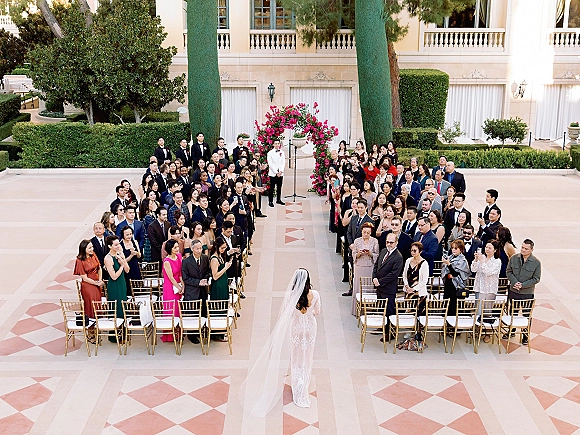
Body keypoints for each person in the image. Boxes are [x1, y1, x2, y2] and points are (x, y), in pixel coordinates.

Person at [240, 268, 320, 416]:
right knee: (307, 356)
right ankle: (304, 383)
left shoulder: (291, 296)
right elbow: (317, 312)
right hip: (310, 329)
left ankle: (298, 385)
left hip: (296, 329)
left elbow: (286, 314)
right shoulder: (315, 294)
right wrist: (309, 313)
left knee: (295, 358)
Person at [504, 239, 541, 345]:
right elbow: (509, 271)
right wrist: (515, 282)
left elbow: (536, 278)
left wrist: (523, 285)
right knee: (513, 312)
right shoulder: (514, 258)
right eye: (522, 247)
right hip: (514, 291)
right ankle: (511, 330)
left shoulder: (536, 263)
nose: (523, 250)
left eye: (526, 249)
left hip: (527, 293)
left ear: (531, 250)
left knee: (526, 314)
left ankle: (525, 335)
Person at [373, 232, 404, 341]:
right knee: (381, 309)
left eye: (391, 242)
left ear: (396, 243)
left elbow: (394, 274)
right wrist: (374, 277)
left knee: (389, 312)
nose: (389, 244)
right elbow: (376, 265)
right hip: (379, 287)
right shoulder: (383, 251)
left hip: (388, 289)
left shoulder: (398, 257)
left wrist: (380, 281)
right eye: (387, 242)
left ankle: (389, 333)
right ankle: (382, 327)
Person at [181, 239, 210, 344]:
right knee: (192, 312)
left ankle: (201, 330)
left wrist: (205, 279)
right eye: (197, 248)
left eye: (201, 248)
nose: (199, 250)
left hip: (202, 291)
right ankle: (192, 334)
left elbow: (208, 271)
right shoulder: (186, 261)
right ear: (192, 249)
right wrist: (198, 282)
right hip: (192, 291)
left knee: (202, 310)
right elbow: (185, 277)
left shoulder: (205, 258)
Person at [471, 240, 502, 333]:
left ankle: (487, 332)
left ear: (495, 250)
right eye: (486, 247)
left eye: (490, 248)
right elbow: (473, 269)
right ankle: (477, 330)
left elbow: (488, 272)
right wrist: (476, 260)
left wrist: (482, 262)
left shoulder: (497, 261)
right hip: (479, 287)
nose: (487, 249)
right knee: (478, 310)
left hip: (489, 289)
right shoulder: (482, 257)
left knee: (487, 311)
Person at [104, 235, 129, 342]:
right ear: (110, 246)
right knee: (116, 308)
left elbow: (128, 270)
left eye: (119, 243)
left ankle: (124, 332)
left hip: (122, 283)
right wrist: (122, 266)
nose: (118, 246)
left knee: (123, 307)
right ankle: (115, 336)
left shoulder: (120, 254)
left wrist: (123, 261)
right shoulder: (108, 258)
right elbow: (113, 276)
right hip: (114, 286)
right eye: (116, 245)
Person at [351, 223, 379, 315]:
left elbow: (377, 255)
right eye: (364, 232)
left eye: (368, 232)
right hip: (359, 266)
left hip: (369, 266)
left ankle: (368, 310)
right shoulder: (357, 241)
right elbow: (353, 254)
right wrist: (359, 254)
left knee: (368, 286)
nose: (366, 234)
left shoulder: (374, 241)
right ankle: (357, 310)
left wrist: (370, 253)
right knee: (358, 286)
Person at [74, 240, 104, 325]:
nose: (92, 249)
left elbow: (99, 268)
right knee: (90, 305)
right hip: (88, 286)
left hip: (96, 282)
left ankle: (98, 324)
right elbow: (84, 277)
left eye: (92, 247)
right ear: (84, 248)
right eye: (90, 247)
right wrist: (96, 283)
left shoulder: (93, 255)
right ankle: (91, 325)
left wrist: (100, 280)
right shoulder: (79, 260)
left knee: (98, 303)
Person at [209, 238, 233, 342]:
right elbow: (215, 276)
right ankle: (217, 334)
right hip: (218, 286)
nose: (223, 250)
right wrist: (226, 268)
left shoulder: (220, 256)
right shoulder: (214, 259)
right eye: (222, 248)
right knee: (218, 309)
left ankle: (221, 332)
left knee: (223, 308)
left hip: (223, 285)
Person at [161, 239, 183, 343]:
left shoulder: (179, 256)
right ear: (169, 249)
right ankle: (170, 335)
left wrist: (182, 284)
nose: (177, 249)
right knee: (171, 310)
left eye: (177, 247)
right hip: (170, 287)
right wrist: (178, 287)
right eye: (174, 247)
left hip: (178, 283)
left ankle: (179, 332)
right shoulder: (167, 261)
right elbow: (171, 278)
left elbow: (180, 273)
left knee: (179, 309)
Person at [441, 239, 470, 317]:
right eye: (452, 248)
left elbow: (456, 273)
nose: (453, 250)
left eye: (456, 248)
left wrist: (449, 265)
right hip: (448, 283)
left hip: (456, 285)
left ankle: (455, 325)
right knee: (447, 303)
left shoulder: (463, 260)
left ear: (460, 249)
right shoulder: (449, 257)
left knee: (454, 306)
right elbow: (444, 270)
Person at [119, 226, 142, 296]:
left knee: (138, 288)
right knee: (129, 289)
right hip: (127, 269)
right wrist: (131, 255)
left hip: (135, 267)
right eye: (127, 234)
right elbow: (122, 261)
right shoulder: (120, 245)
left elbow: (139, 256)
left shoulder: (134, 242)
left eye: (130, 234)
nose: (129, 236)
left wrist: (136, 253)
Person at [267, 139, 286, 207]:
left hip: (280, 173)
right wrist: (276, 172)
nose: (277, 145)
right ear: (273, 144)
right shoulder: (270, 153)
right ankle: (271, 201)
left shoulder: (282, 152)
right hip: (273, 173)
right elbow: (270, 163)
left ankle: (278, 199)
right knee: (272, 188)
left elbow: (283, 162)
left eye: (278, 143)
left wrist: (281, 171)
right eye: (276, 143)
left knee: (279, 187)